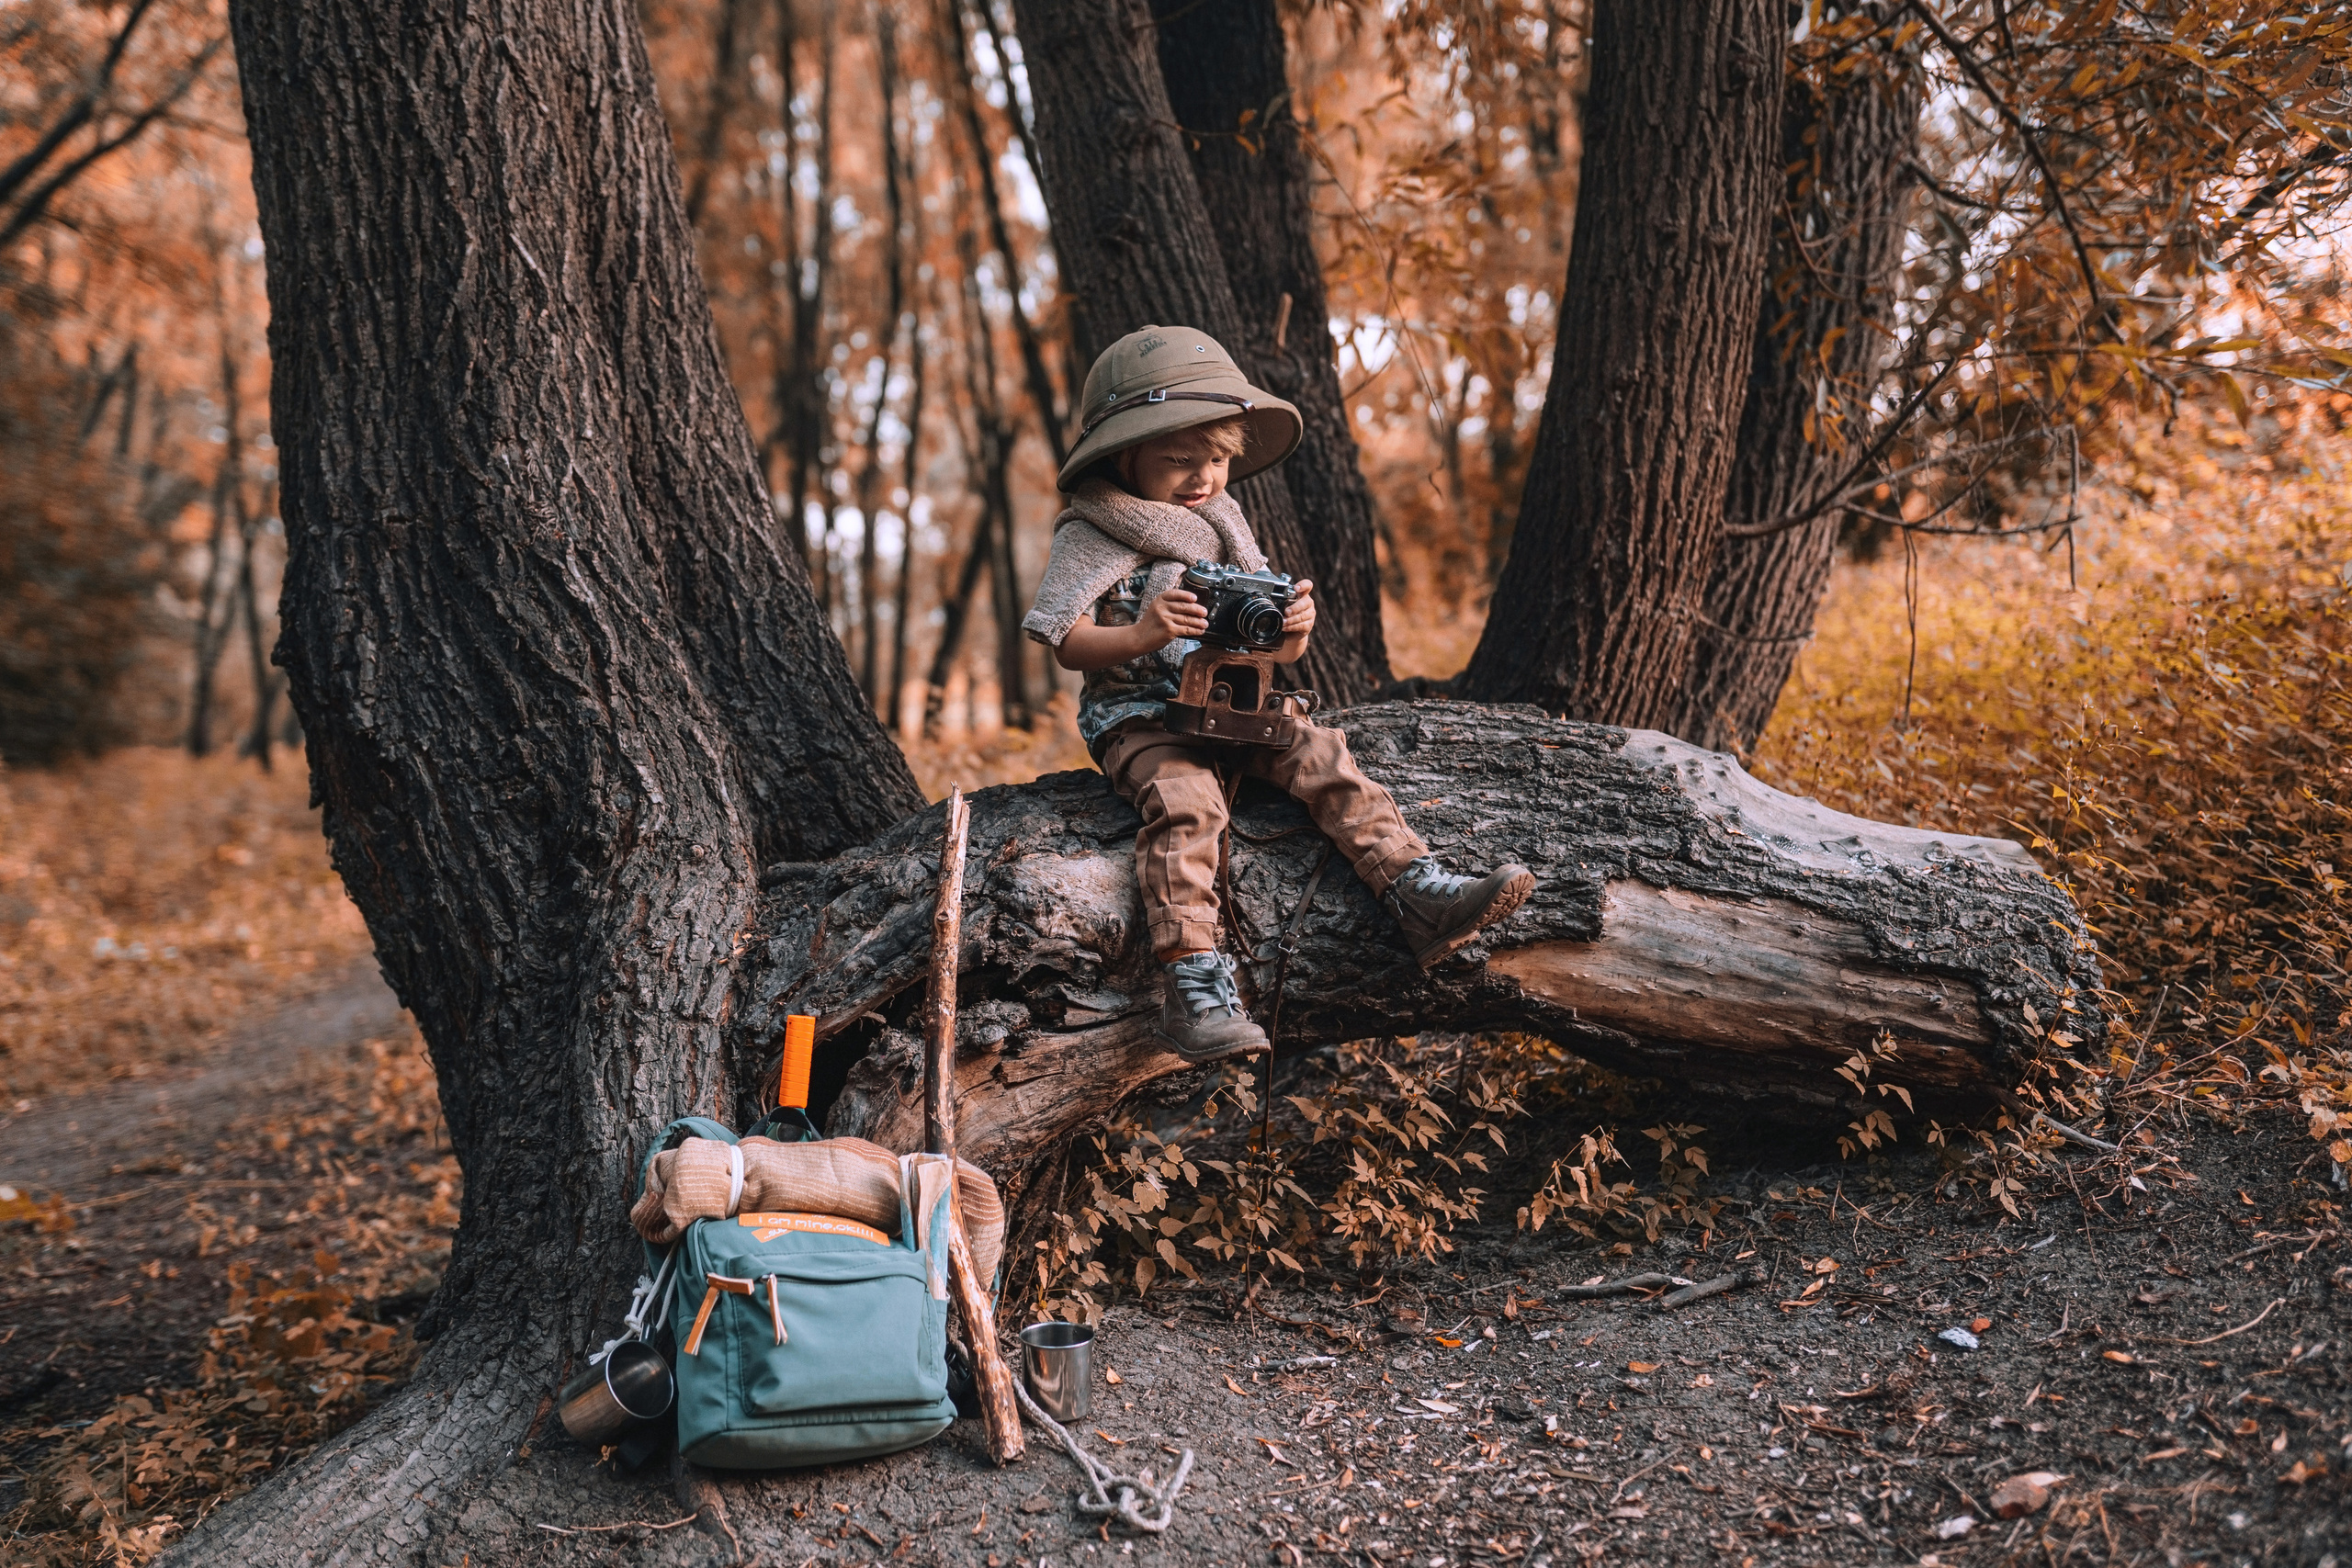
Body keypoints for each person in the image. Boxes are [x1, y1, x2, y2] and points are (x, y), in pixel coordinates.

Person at [1023, 325, 1534, 1065]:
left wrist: (1292, 630)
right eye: (1181, 458)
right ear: (1123, 453)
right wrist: (1140, 634)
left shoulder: (1223, 521)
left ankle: (1417, 889)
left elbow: (1269, 642)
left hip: (1231, 699)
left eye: (1221, 458)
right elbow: (1066, 640)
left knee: (1322, 753)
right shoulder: (1093, 531)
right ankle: (1191, 980)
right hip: (1141, 715)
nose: (1205, 476)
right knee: (1188, 805)